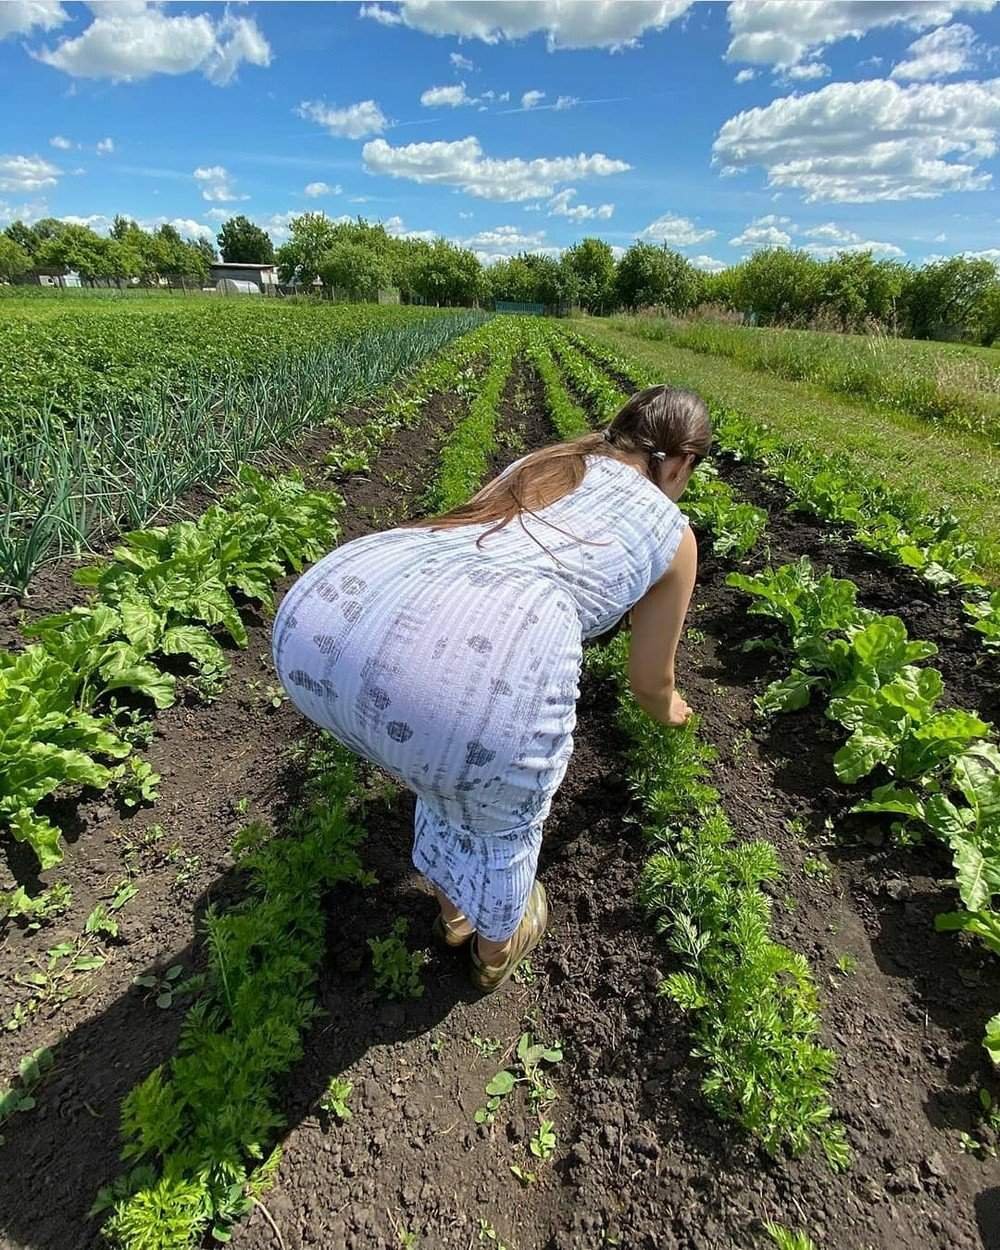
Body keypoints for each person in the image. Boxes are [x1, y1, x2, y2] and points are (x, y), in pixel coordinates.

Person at [272, 384, 710, 993]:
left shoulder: (546, 466)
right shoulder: (674, 535)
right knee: (500, 821)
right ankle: (492, 949)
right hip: (474, 675)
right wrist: (674, 713)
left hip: (325, 620)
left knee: (438, 761)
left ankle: (452, 915)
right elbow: (648, 682)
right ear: (683, 462)